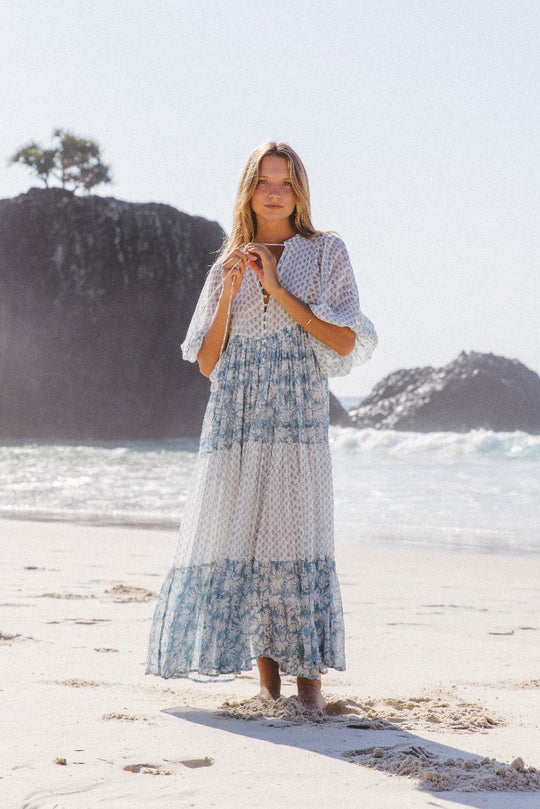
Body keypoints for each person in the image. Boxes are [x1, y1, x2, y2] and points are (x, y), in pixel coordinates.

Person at [146, 141, 377, 709]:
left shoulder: (325, 252)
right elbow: (208, 361)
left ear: (300, 192)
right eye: (265, 182)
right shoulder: (226, 263)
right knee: (247, 544)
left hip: (297, 417)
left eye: (286, 182)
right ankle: (269, 691)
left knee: (299, 538)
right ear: (248, 191)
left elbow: (343, 340)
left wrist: (276, 288)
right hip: (237, 420)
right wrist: (230, 290)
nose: (275, 193)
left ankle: (310, 691)